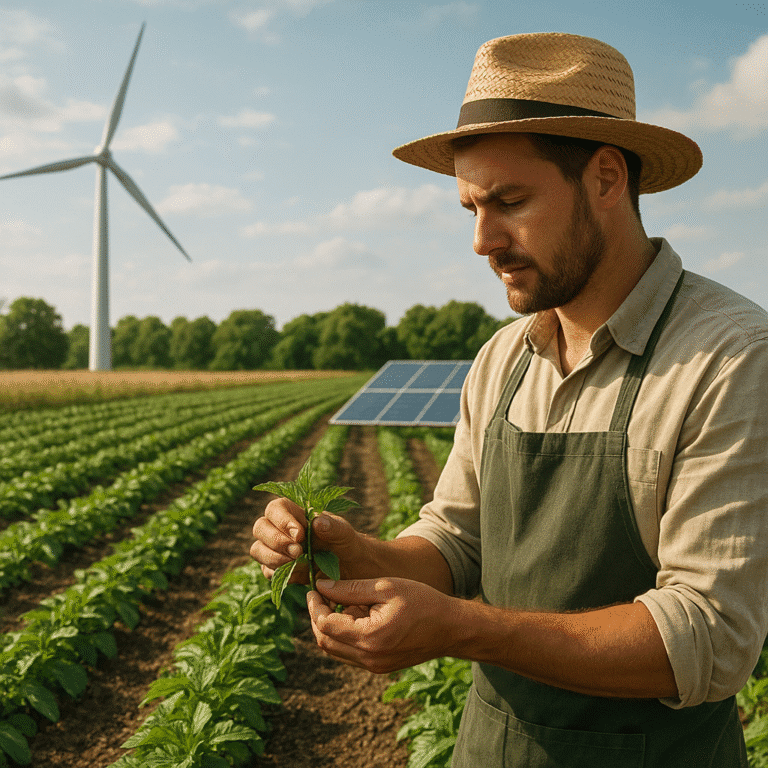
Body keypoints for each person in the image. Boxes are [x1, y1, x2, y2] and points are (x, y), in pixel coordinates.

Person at [251, 32, 768, 767]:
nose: (482, 240)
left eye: (510, 201)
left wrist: (465, 629)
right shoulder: (505, 356)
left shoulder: (729, 357)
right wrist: (355, 556)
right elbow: (459, 543)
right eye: (470, 207)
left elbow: (709, 637)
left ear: (606, 178)